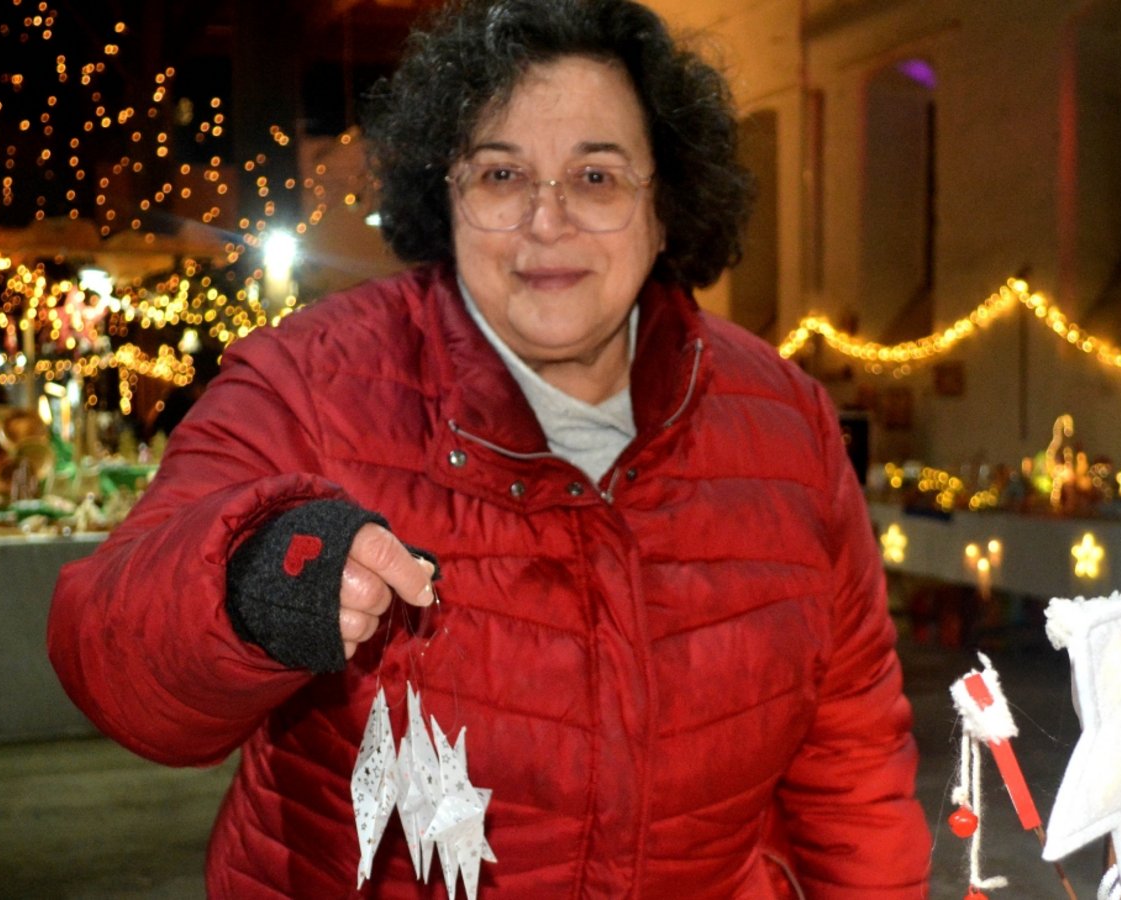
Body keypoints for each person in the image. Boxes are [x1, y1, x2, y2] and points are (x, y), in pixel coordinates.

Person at [47, 0, 932, 895]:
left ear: (665, 209)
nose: (547, 223)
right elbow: (108, 657)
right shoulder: (308, 385)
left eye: (596, 179)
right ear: (447, 195)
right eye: (503, 175)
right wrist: (257, 582)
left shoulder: (787, 422)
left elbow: (852, 763)